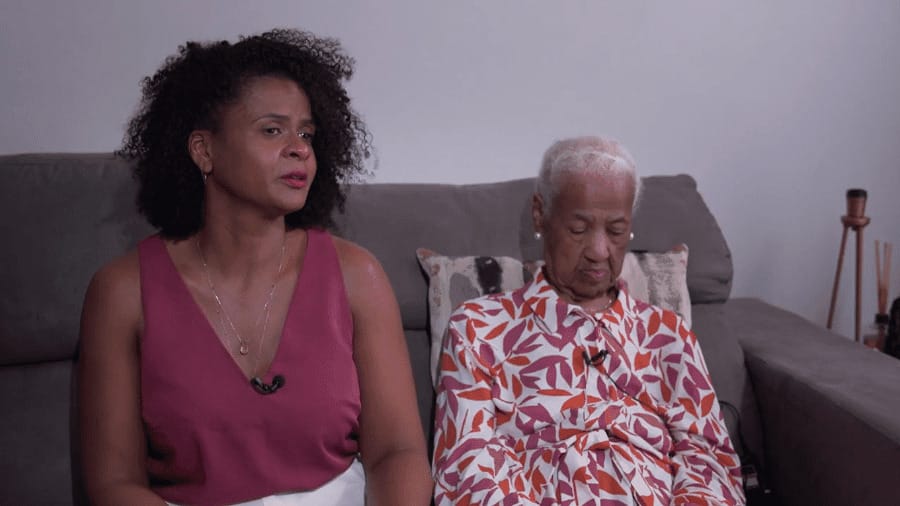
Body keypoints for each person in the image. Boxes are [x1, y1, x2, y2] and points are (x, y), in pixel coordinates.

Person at [77, 29, 432, 506]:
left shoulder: (357, 275)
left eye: (306, 134)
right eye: (272, 130)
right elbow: (113, 484)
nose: (299, 148)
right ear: (204, 150)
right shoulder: (122, 291)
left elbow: (397, 452)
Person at [432, 136, 744, 505]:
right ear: (540, 214)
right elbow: (465, 466)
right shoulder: (479, 328)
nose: (599, 251)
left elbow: (710, 463)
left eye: (616, 231)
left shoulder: (667, 335)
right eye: (579, 229)